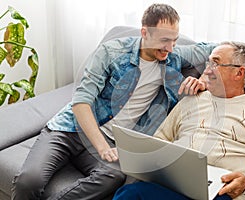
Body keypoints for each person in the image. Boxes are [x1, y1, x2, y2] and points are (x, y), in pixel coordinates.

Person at [11, 3, 216, 200]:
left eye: (175, 40)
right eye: (164, 40)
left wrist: (205, 78)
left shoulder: (175, 55)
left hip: (111, 140)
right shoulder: (112, 52)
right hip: (69, 130)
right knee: (28, 182)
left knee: (113, 176)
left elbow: (216, 50)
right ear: (144, 33)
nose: (170, 48)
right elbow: (81, 102)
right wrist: (101, 148)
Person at [112, 41, 245, 200]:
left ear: (239, 73)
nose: (207, 70)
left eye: (215, 64)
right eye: (208, 62)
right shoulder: (193, 99)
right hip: (176, 184)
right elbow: (160, 141)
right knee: (131, 194)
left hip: (222, 192)